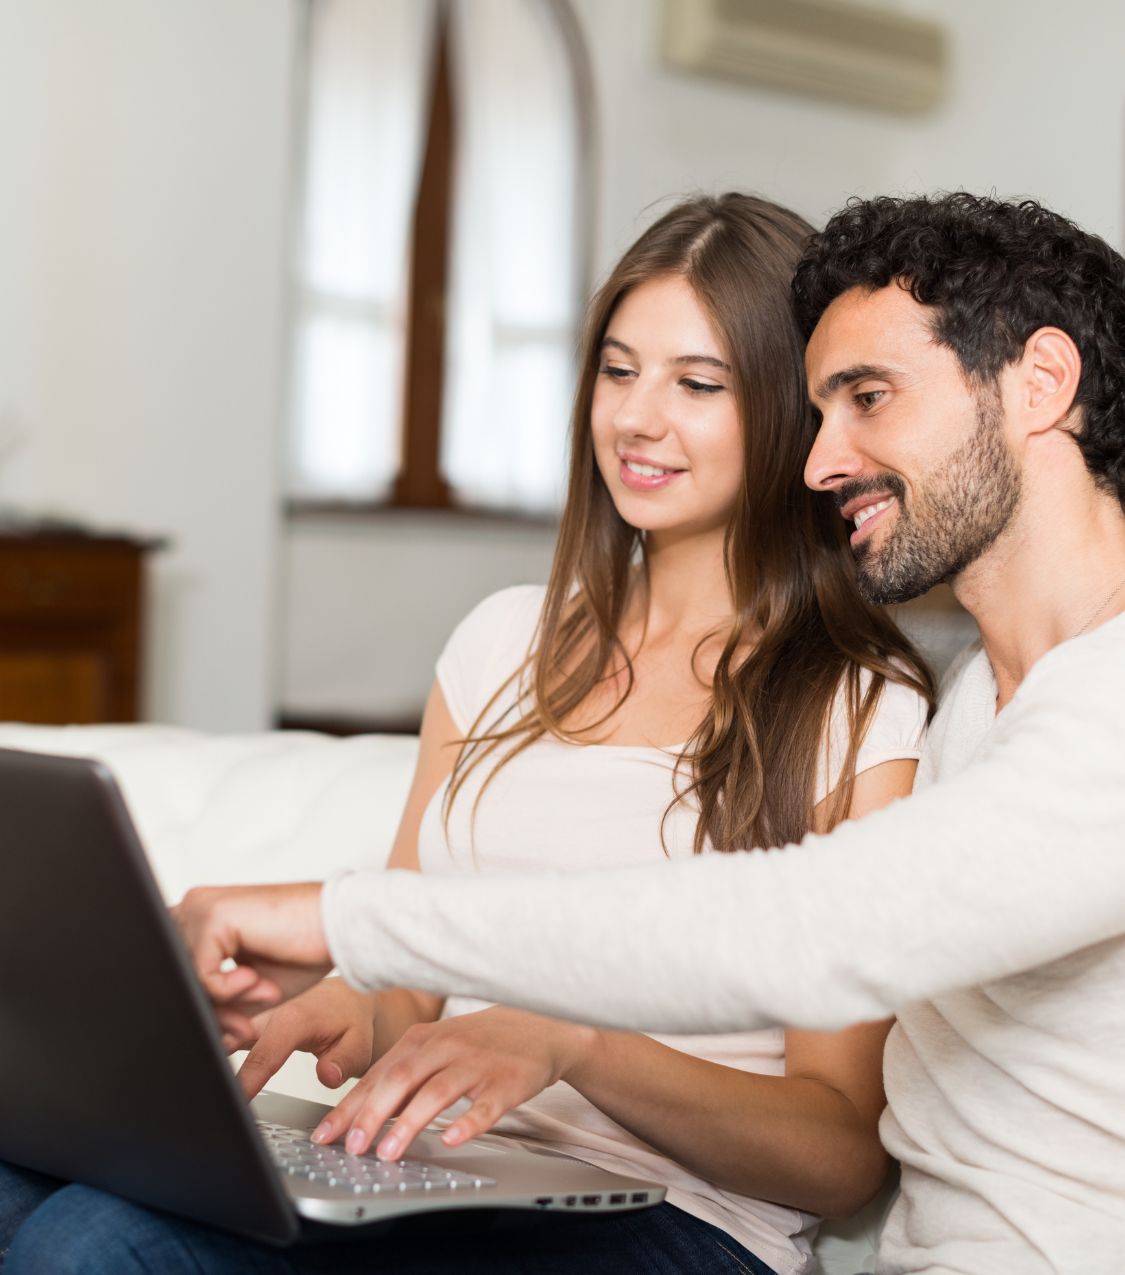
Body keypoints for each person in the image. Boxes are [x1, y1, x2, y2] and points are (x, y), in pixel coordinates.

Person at [169, 193, 1125, 1275]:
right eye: (818, 410)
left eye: (868, 398)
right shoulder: (979, 701)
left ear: (1041, 383)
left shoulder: (1062, 712)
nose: (818, 463)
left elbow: (813, 925)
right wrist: (358, 993)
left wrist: (353, 923)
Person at [0, 193, 934, 1275]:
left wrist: (573, 1043)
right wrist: (335, 1007)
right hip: (455, 1167)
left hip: (679, 1221)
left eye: (697, 384)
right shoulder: (503, 642)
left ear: (788, 411)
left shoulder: (855, 705)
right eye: (618, 370)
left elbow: (838, 1151)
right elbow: (412, 980)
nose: (636, 418)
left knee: (92, 1244)